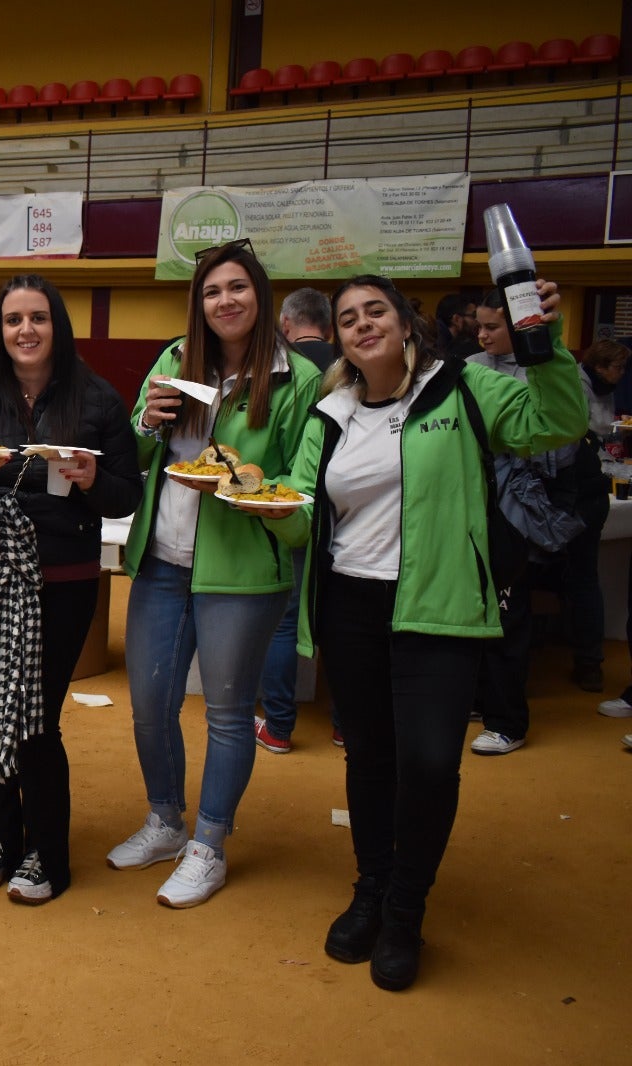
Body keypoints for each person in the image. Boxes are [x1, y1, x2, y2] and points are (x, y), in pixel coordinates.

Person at [277, 273, 584, 991]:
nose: (360, 324)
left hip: (438, 610)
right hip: (351, 608)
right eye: (348, 317)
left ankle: (407, 910)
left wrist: (547, 344)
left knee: (427, 763)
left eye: (374, 310)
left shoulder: (464, 388)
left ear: (406, 322)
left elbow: (558, 422)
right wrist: (265, 508)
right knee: (370, 761)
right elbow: (298, 509)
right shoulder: (332, 410)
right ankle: (370, 890)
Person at [112, 238, 320, 908]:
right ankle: (166, 822)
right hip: (163, 566)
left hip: (242, 574)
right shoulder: (174, 360)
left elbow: (302, 493)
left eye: (236, 288)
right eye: (211, 291)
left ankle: (208, 845)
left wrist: (251, 490)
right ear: (197, 304)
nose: (224, 301)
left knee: (228, 715)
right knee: (150, 706)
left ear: (260, 295)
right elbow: (136, 455)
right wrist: (145, 423)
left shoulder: (297, 380)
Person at [0, 275, 142, 903]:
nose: (26, 331)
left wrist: (89, 479)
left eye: (38, 318)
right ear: (0, 329)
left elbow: (125, 493)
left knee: (35, 716)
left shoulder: (99, 398)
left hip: (62, 577)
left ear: (58, 326)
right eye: (13, 320)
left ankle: (46, 848)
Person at [469, 289, 607, 746]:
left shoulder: (550, 368)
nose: (484, 334)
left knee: (510, 610)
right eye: (480, 325)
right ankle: (478, 697)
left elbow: (562, 438)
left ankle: (507, 720)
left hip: (524, 511)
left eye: (494, 326)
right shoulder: (470, 368)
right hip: (477, 508)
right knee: (477, 608)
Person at [256, 286, 339, 754]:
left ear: (286, 325)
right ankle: (346, 723)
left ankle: (280, 726)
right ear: (330, 325)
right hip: (348, 512)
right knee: (341, 619)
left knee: (285, 619)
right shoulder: (354, 366)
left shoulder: (284, 370)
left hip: (294, 502)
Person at [578, 339, 628, 439]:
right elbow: (586, 432)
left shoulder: (605, 384)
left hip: (599, 449)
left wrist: (621, 426)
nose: (622, 372)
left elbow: (604, 428)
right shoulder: (578, 386)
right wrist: (618, 429)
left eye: (623, 367)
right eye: (618, 367)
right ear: (599, 367)